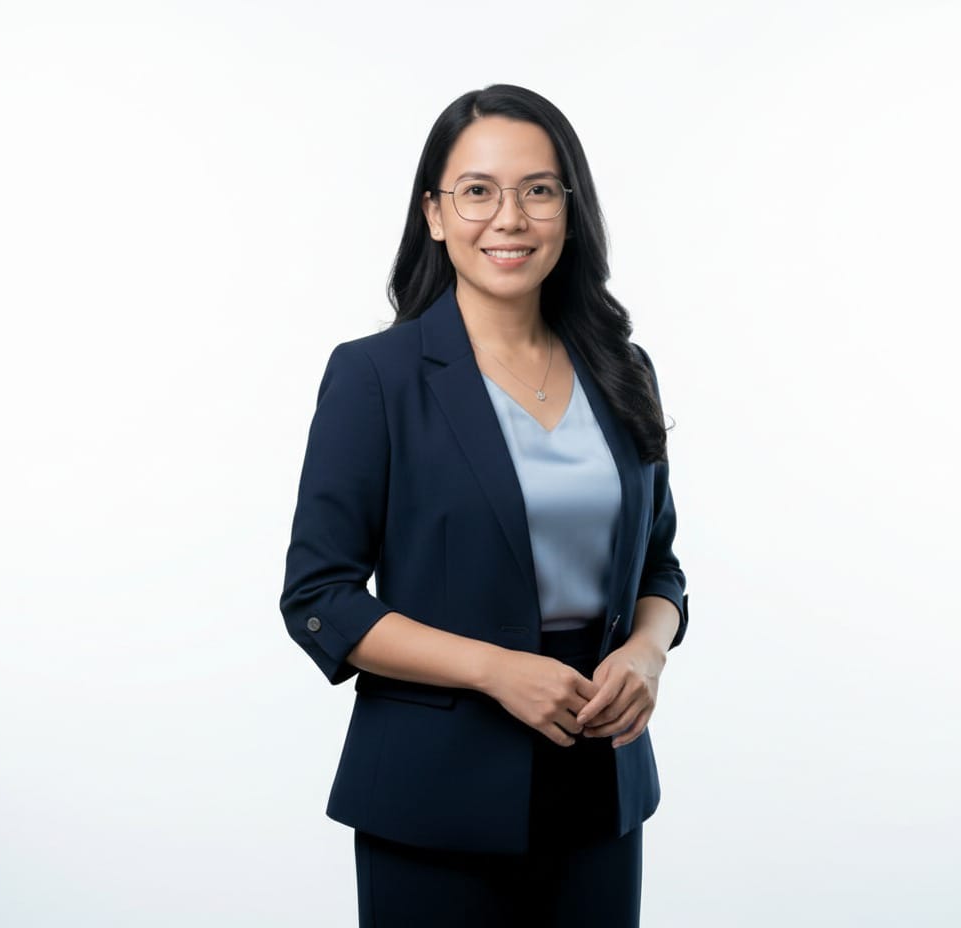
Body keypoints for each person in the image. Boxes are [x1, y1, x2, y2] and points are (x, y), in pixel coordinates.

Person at [279, 83, 689, 927]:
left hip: (599, 780)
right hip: (436, 791)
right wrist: (496, 670)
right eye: (478, 191)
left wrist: (648, 654)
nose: (509, 217)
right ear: (434, 213)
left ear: (569, 213)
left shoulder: (622, 371)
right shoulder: (375, 378)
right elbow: (320, 600)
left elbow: (660, 567)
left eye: (538, 190)